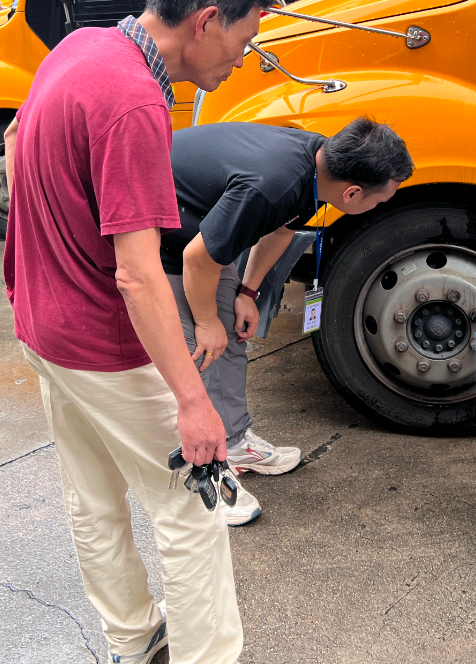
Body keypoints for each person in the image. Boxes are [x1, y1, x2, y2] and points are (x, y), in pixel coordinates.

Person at [3, 0, 273, 664]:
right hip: (101, 345)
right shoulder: (135, 104)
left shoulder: (81, 46)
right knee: (192, 510)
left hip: (40, 324)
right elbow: (138, 275)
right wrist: (193, 400)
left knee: (93, 497)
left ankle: (131, 637)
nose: (244, 58)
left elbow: (15, 136)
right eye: (245, 39)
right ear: (208, 21)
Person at [161, 116, 414, 526]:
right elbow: (196, 258)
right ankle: (205, 474)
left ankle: (235, 441)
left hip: (209, 228)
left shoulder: (318, 165)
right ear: (352, 193)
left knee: (231, 337)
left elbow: (278, 230)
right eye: (380, 200)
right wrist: (206, 321)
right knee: (199, 352)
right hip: (170, 233)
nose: (380, 207)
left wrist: (247, 292)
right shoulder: (272, 184)